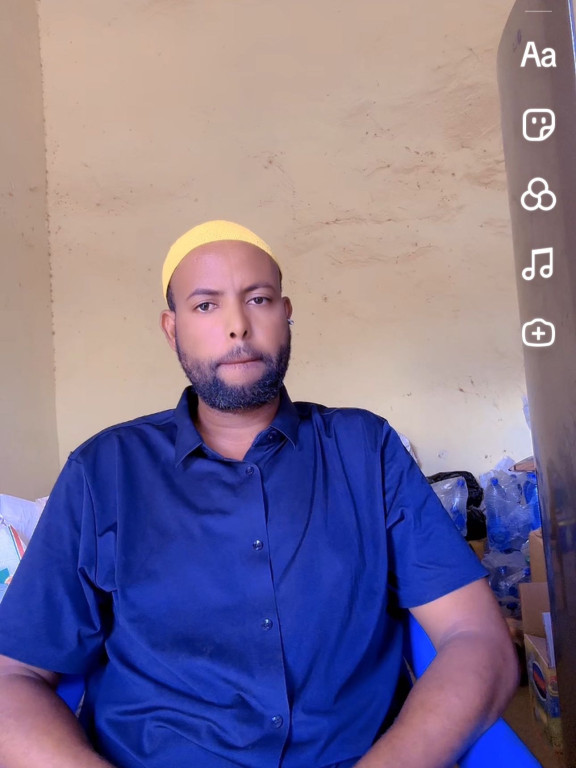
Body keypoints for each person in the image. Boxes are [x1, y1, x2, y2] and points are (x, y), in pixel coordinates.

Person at [0, 220, 517, 768]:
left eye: (258, 299)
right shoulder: (104, 470)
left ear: (286, 313)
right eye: (206, 305)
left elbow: (476, 638)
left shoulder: (364, 450)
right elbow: (15, 674)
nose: (237, 327)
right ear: (171, 329)